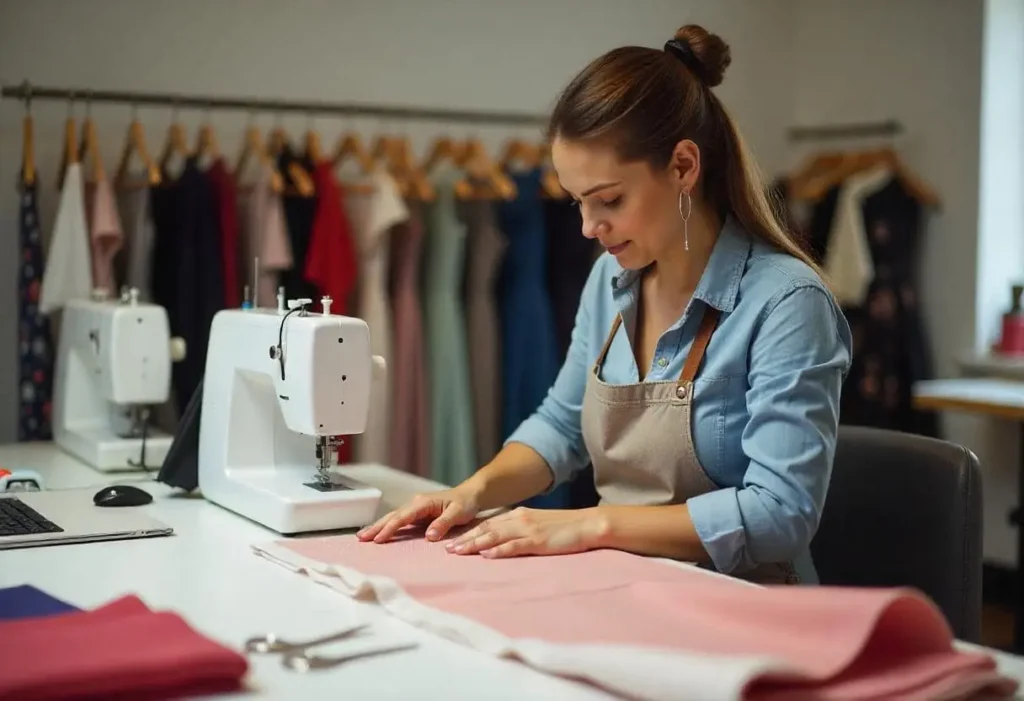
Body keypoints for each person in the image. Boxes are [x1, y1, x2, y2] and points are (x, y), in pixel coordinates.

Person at [358, 23, 853, 585]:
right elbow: (561, 425)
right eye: (577, 203)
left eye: (610, 200)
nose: (590, 228)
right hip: (627, 585)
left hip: (747, 601)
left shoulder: (787, 302)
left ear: (684, 167)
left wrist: (593, 525)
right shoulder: (609, 282)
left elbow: (781, 515)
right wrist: (469, 493)